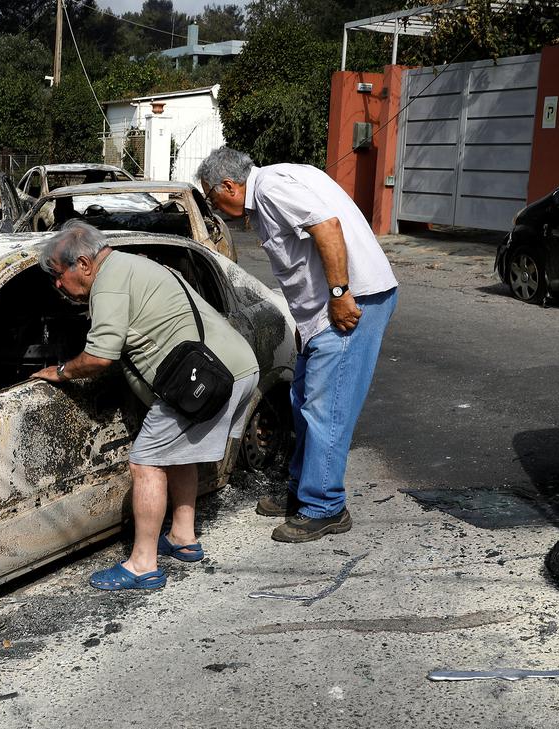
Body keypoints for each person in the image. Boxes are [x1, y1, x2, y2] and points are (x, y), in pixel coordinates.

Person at [31, 221, 259, 590]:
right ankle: (183, 537)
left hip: (204, 381)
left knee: (146, 461)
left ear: (84, 264)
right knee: (176, 455)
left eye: (59, 275)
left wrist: (61, 371)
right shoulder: (132, 264)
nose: (58, 285)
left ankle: (142, 564)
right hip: (231, 368)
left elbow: (99, 357)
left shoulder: (109, 284)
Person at [195, 146, 398, 543]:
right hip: (324, 311)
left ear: (229, 186)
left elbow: (328, 227)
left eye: (210, 195)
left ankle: (325, 507)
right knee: (303, 399)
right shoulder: (272, 185)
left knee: (327, 407)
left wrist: (340, 293)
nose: (211, 205)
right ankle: (304, 490)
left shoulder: (271, 188)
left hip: (353, 301)